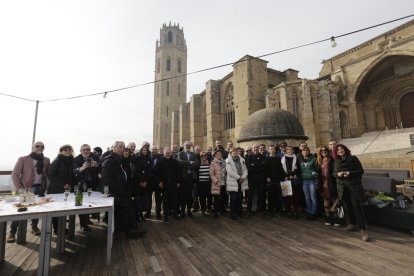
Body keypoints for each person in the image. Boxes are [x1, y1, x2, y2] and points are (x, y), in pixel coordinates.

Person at [8, 141, 50, 243]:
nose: (40, 147)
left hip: (40, 188)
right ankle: (12, 232)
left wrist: (47, 186)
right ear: (32, 147)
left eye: (42, 146)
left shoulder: (46, 160)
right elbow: (15, 174)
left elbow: (47, 174)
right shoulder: (23, 159)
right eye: (37, 146)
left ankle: (34, 227)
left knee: (36, 209)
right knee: (20, 209)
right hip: (25, 188)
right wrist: (20, 188)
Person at [102, 141, 144, 238]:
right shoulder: (109, 161)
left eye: (123, 147)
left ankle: (130, 229)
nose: (122, 149)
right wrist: (117, 191)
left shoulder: (119, 160)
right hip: (116, 193)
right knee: (127, 208)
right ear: (113, 148)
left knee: (130, 208)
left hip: (123, 191)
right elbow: (106, 180)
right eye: (120, 147)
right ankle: (129, 231)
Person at [332, 144, 370, 241]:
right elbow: (333, 173)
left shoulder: (353, 158)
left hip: (354, 187)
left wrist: (350, 173)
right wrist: (338, 174)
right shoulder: (337, 161)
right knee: (347, 207)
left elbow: (361, 171)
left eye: (342, 149)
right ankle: (352, 224)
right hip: (342, 188)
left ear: (345, 150)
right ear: (336, 152)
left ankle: (363, 231)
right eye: (338, 150)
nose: (340, 151)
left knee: (357, 207)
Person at [48, 144, 76, 234]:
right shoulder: (57, 160)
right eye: (65, 150)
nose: (67, 151)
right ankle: (57, 229)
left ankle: (62, 228)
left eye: (69, 149)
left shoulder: (72, 161)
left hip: (68, 189)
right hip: (56, 189)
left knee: (65, 209)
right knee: (57, 210)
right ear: (61, 151)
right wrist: (63, 184)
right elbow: (51, 175)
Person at [74, 144, 101, 231]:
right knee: (82, 204)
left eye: (88, 149)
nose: (86, 151)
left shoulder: (96, 156)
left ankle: (87, 219)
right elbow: (74, 170)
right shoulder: (77, 159)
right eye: (84, 150)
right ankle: (83, 224)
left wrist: (96, 165)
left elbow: (102, 166)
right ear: (80, 151)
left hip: (93, 183)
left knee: (91, 202)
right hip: (81, 184)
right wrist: (82, 168)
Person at [155, 148, 181, 222]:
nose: (168, 154)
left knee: (174, 200)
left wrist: (178, 182)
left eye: (169, 153)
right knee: (165, 201)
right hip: (164, 184)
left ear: (171, 153)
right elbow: (157, 173)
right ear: (164, 153)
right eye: (166, 153)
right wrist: (159, 182)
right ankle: (165, 216)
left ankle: (175, 214)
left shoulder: (175, 162)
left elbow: (178, 173)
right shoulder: (160, 162)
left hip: (173, 184)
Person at [315, 145, 338, 226]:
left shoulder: (332, 160)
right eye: (322, 150)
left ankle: (336, 219)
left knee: (333, 200)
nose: (324, 151)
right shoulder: (319, 160)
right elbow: (318, 173)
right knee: (326, 203)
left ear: (328, 151)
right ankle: (328, 218)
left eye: (325, 150)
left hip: (331, 183)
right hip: (323, 184)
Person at [177, 141, 199, 218]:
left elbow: (196, 163)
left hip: (191, 177)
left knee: (190, 195)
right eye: (186, 145)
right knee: (183, 195)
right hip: (183, 177)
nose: (188, 146)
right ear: (183, 146)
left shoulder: (194, 154)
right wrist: (190, 162)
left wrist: (187, 163)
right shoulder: (180, 153)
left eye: (189, 145)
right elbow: (179, 162)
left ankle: (189, 210)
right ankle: (183, 211)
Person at [225, 148, 248, 219]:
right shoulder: (228, 161)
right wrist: (239, 177)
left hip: (241, 181)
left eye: (236, 151)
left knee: (240, 197)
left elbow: (245, 170)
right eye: (233, 152)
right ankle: (233, 213)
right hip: (233, 181)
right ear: (230, 153)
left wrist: (243, 177)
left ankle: (239, 212)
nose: (235, 153)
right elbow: (229, 171)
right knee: (233, 198)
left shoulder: (242, 160)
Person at [246, 144, 267, 217]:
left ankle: (259, 210)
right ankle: (249, 211)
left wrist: (254, 165)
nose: (256, 149)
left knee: (260, 195)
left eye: (257, 148)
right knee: (250, 195)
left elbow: (264, 166)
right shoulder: (249, 157)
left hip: (260, 179)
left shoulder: (263, 157)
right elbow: (249, 167)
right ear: (252, 149)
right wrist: (258, 165)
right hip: (252, 179)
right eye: (254, 148)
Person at [281, 145, 302, 219]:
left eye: (291, 149)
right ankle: (288, 211)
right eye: (288, 149)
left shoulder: (297, 158)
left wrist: (293, 175)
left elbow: (299, 168)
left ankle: (296, 211)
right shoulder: (282, 159)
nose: (290, 151)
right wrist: (286, 175)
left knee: (296, 196)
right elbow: (281, 169)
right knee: (287, 197)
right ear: (286, 151)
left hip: (295, 180)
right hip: (286, 179)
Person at [299, 146, 318, 220]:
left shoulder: (313, 159)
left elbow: (317, 169)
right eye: (303, 151)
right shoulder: (300, 160)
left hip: (312, 180)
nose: (305, 152)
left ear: (309, 151)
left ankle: (313, 213)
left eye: (307, 150)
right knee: (307, 198)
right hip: (304, 181)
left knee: (313, 197)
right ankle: (309, 212)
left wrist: (315, 173)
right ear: (302, 152)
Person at [265, 144, 284, 217]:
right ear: (268, 150)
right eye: (270, 149)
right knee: (270, 197)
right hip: (270, 181)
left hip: (277, 179)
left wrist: (283, 177)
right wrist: (267, 177)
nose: (272, 150)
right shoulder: (266, 159)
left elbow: (280, 169)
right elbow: (265, 170)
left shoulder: (278, 158)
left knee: (278, 197)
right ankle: (271, 211)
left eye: (273, 149)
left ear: (275, 150)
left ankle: (279, 211)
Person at [134, 146, 153, 220]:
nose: (144, 151)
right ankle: (139, 214)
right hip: (138, 182)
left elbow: (149, 171)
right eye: (143, 150)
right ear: (141, 151)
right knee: (138, 199)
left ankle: (143, 213)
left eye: (146, 150)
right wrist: (140, 181)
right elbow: (137, 171)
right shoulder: (137, 158)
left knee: (145, 199)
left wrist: (146, 181)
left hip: (146, 182)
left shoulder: (149, 159)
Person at [209, 150, 225, 218]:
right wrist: (216, 181)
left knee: (223, 198)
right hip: (217, 183)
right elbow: (211, 174)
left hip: (224, 182)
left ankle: (222, 211)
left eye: (220, 154)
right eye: (217, 154)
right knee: (216, 199)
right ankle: (216, 212)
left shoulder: (224, 162)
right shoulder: (213, 163)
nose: (219, 155)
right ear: (215, 155)